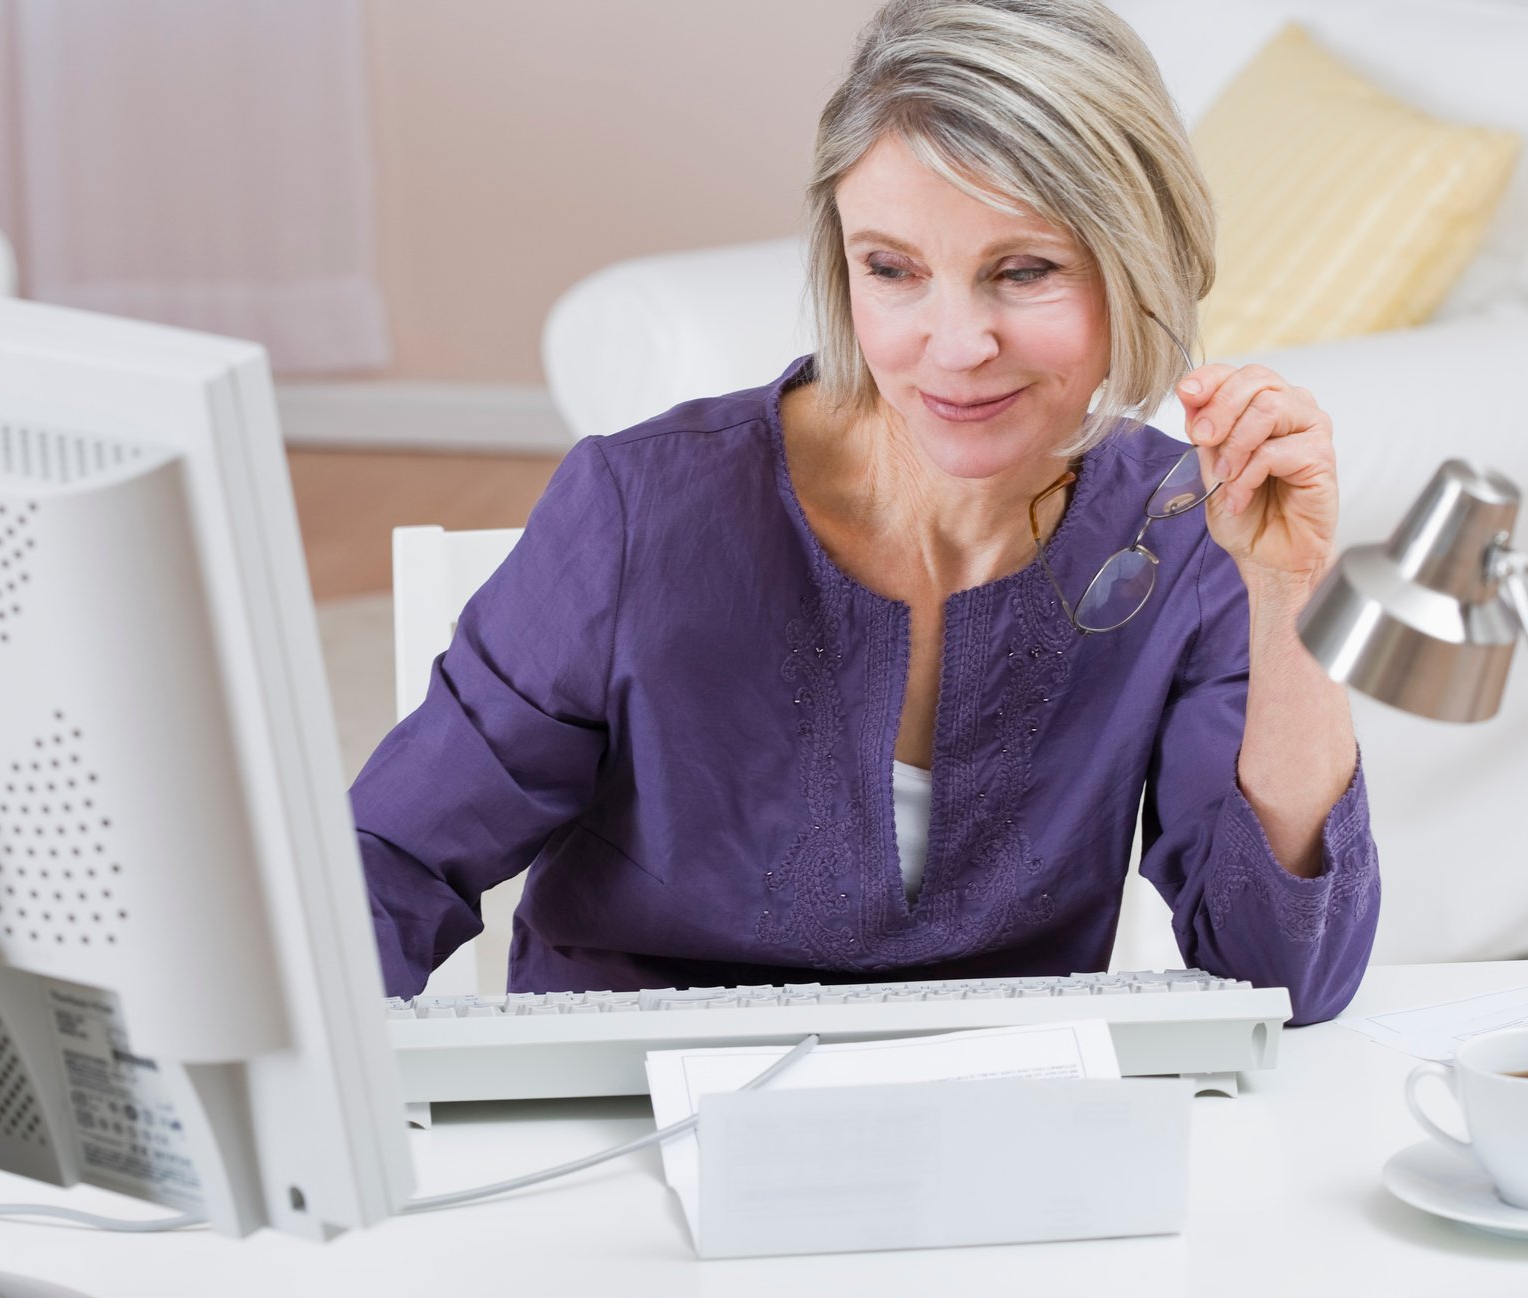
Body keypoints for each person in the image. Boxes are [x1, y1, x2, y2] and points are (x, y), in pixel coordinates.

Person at [351, 0, 1378, 1022]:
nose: (955, 343)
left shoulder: (1187, 533)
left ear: (1137, 265)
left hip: (991, 1134)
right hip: (631, 1120)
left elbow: (1281, 979)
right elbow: (388, 864)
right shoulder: (641, 509)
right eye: (893, 270)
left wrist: (1288, 592)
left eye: (1023, 271)